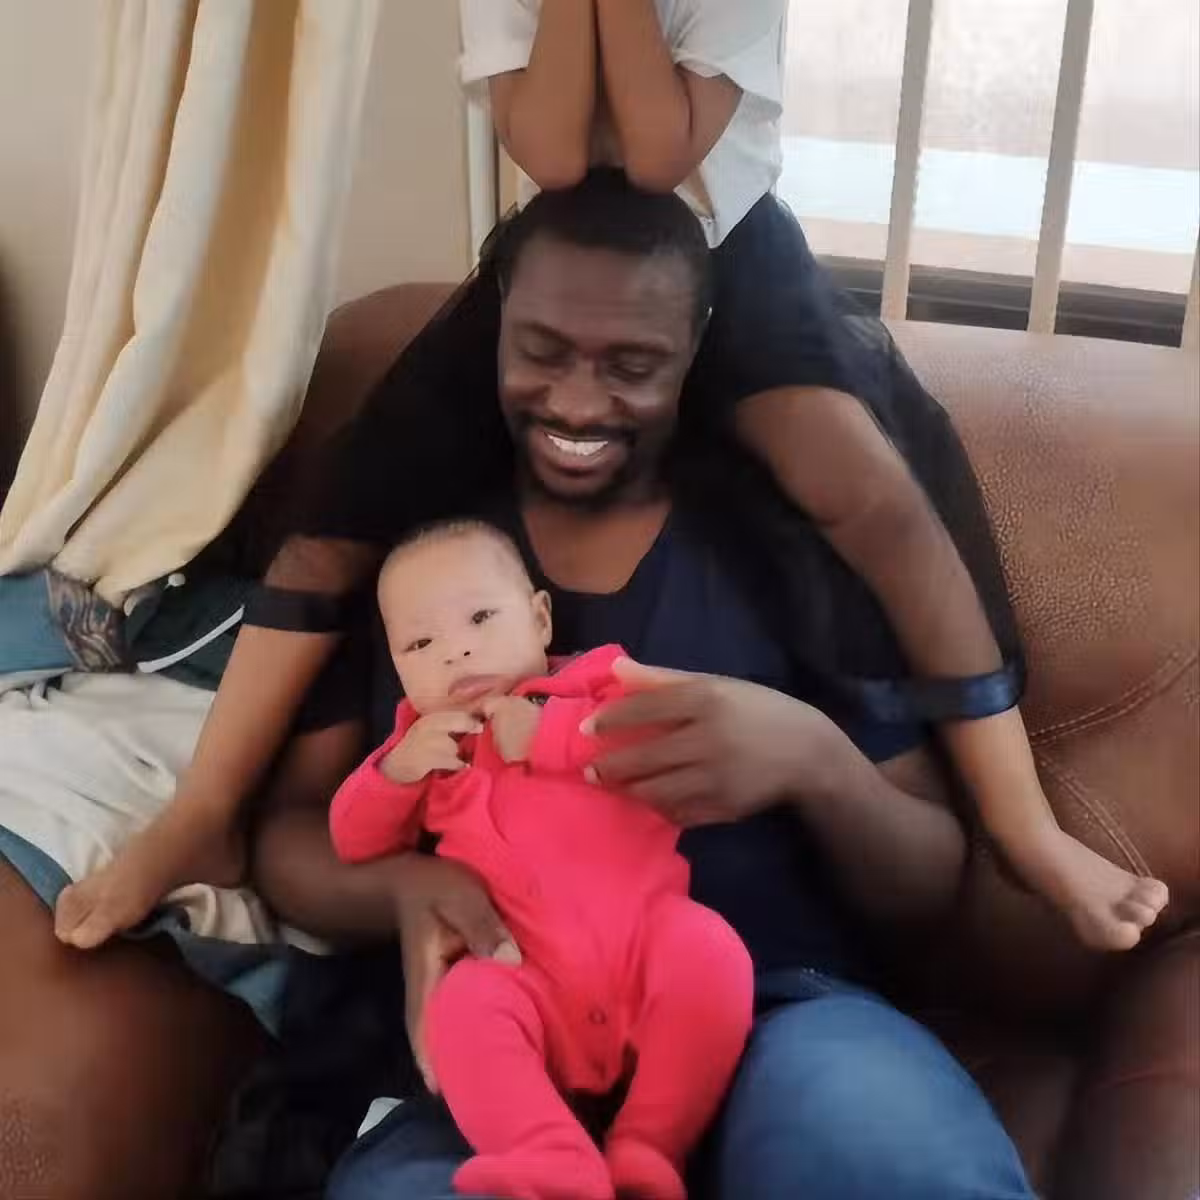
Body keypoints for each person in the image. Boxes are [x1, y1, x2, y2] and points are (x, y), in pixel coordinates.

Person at [53, 0, 1166, 956]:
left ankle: (1023, 827)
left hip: (723, 246)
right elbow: (552, 152)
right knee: (346, 506)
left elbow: (658, 157)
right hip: (572, 257)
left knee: (864, 481)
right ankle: (202, 811)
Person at [241, 175, 1036, 1198]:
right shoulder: (428, 566)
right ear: (496, 330)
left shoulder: (778, 546)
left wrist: (812, 759)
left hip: (774, 1013)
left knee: (890, 1160)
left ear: (693, 350)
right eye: (542, 352)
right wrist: (405, 889)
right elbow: (292, 836)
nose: (578, 403)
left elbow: (929, 880)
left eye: (632, 365)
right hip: (504, 1048)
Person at [330, 522, 753, 1200]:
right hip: (526, 979)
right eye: (420, 644)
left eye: (480, 618)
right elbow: (353, 840)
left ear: (540, 618)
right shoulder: (425, 742)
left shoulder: (598, 684)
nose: (456, 650)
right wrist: (394, 774)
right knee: (462, 1005)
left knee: (712, 952)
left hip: (645, 948)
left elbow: (666, 741)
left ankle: (650, 1146)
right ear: (397, 667)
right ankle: (548, 1155)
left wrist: (550, 735)